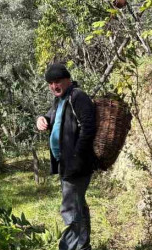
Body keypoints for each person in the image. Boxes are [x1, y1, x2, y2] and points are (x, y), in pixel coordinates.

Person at [36, 63, 97, 250]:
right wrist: (41, 119)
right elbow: (52, 117)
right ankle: (83, 245)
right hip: (66, 163)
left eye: (58, 82)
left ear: (68, 80)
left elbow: (89, 128)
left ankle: (70, 247)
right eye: (51, 83)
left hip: (76, 164)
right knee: (77, 206)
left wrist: (77, 157)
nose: (54, 86)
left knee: (70, 209)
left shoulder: (78, 97)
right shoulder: (61, 99)